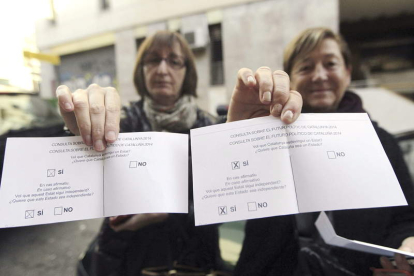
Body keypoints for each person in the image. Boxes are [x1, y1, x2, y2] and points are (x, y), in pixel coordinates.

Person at [56, 30, 303, 276]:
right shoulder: (120, 125)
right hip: (126, 259)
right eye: (153, 60)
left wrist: (244, 144)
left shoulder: (209, 126)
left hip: (194, 260)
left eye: (174, 61)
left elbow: (223, 210)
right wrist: (83, 129)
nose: (163, 70)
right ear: (141, 70)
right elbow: (84, 181)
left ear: (187, 72)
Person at [233, 27, 414, 276]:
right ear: (290, 78)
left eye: (330, 64)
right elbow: (228, 199)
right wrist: (238, 135)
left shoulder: (381, 143)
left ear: (348, 72)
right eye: (306, 67)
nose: (319, 76)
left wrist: (407, 246)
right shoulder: (268, 134)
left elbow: (404, 218)